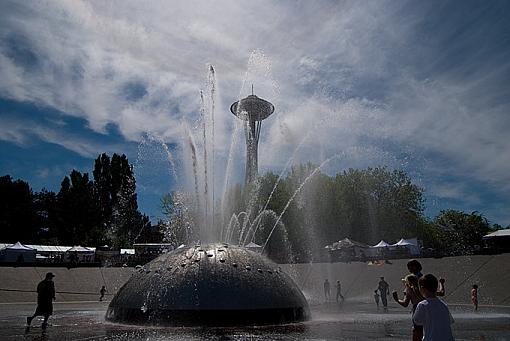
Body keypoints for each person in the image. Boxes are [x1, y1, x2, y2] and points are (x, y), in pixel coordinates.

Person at [413, 274, 454, 341]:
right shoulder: (443, 305)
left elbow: (417, 321)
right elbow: (449, 321)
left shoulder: (422, 305)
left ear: (422, 288)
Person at [392, 274, 424, 341]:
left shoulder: (409, 289)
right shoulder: (422, 288)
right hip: (426, 307)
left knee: (417, 329)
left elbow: (405, 304)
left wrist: (397, 299)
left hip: (417, 309)